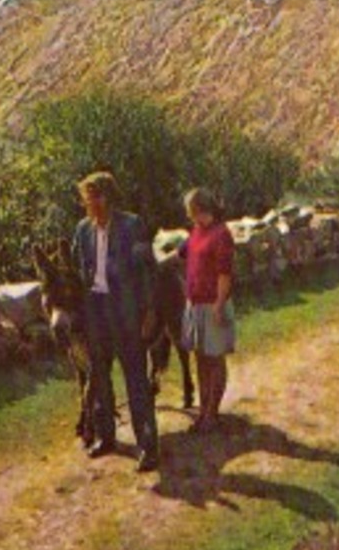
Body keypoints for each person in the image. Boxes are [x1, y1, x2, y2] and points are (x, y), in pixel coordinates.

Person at [73, 170, 160, 473]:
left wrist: (149, 312)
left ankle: (148, 446)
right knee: (99, 376)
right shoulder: (82, 230)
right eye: (85, 198)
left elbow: (148, 272)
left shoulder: (131, 226)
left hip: (126, 313)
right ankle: (105, 436)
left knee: (135, 378)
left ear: (105, 198)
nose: (86, 204)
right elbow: (77, 273)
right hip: (95, 311)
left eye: (91, 197)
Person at [177, 187, 236, 432]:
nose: (188, 215)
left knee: (215, 358)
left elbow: (225, 273)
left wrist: (220, 306)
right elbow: (183, 254)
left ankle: (213, 413)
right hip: (195, 303)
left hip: (213, 303)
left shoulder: (221, 234)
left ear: (200, 208)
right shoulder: (196, 232)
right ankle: (203, 411)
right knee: (200, 358)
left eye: (190, 210)